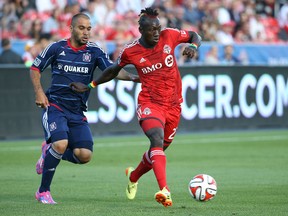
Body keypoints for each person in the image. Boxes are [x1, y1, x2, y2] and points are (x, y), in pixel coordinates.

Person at [70, 7, 201, 207]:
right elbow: (113, 70)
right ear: (141, 30)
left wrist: (193, 45)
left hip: (174, 105)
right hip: (150, 103)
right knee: (156, 140)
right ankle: (165, 190)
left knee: (158, 151)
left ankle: (133, 176)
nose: (157, 32)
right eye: (152, 30)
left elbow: (195, 35)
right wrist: (90, 85)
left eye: (158, 28)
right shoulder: (131, 51)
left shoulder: (170, 35)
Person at [30, 13, 139, 204]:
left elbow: (111, 71)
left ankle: (48, 152)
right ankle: (43, 191)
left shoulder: (94, 51)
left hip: (77, 111)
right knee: (61, 143)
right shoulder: (57, 48)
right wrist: (39, 93)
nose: (86, 32)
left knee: (84, 155)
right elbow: (35, 68)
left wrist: (133, 77)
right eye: (82, 28)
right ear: (71, 28)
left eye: (89, 28)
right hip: (55, 105)